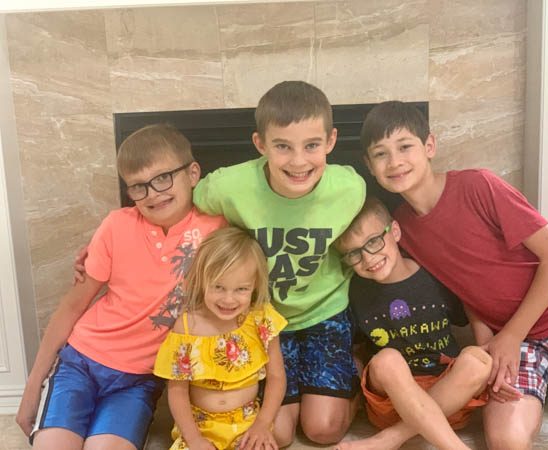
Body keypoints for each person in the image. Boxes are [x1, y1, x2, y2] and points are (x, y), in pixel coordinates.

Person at [360, 100, 548, 449]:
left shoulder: (479, 186)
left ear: (429, 146)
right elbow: (464, 286)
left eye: (405, 146)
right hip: (516, 337)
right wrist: (486, 344)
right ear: (369, 166)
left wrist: (511, 336)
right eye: (381, 154)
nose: (394, 161)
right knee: (505, 440)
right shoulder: (402, 229)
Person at [16, 124, 226, 450]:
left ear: (193, 173)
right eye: (139, 186)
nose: (152, 194)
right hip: (81, 362)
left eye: (163, 178)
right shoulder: (117, 225)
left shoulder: (216, 229)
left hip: (138, 380)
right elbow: (72, 305)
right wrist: (32, 387)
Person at [193, 80, 366, 445]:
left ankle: (355, 368)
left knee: (322, 430)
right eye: (283, 146)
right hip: (265, 320)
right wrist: (126, 228)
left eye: (312, 145)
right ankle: (309, 390)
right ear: (261, 144)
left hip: (325, 311)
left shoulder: (350, 188)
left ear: (331, 141)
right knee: (280, 434)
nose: (298, 161)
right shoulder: (228, 186)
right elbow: (187, 205)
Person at [334, 196, 491, 450]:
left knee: (479, 360)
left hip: (450, 398)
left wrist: (488, 347)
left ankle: (390, 439)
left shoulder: (434, 275)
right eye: (353, 253)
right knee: (387, 360)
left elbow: (473, 304)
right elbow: (356, 349)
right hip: (391, 401)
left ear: (395, 231)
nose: (368, 258)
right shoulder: (354, 291)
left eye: (373, 241)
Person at [153, 226, 287, 450]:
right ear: (202, 280)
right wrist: (194, 439)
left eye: (241, 289)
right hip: (200, 427)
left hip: (249, 423)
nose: (228, 299)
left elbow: (276, 377)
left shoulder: (261, 319)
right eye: (218, 287)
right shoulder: (187, 327)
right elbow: (177, 391)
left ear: (255, 285)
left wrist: (263, 424)